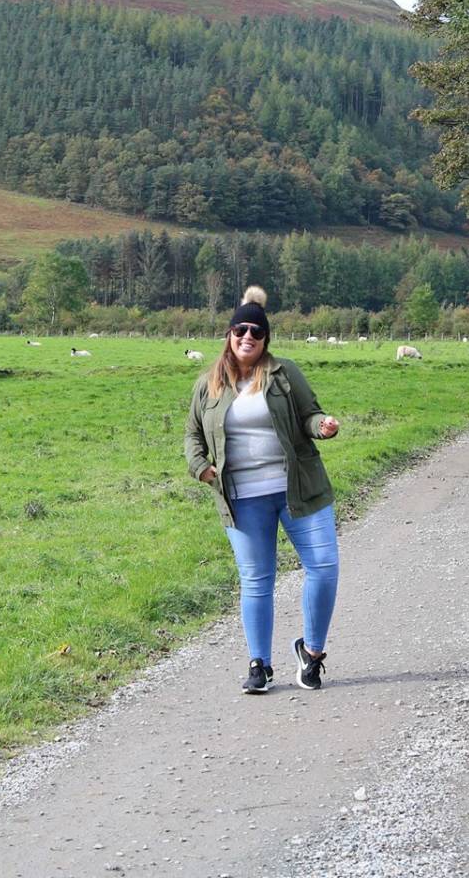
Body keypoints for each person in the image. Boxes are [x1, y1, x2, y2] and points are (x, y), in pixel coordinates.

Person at [184, 286, 341, 693]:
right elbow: (193, 436)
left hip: (298, 488)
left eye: (256, 332)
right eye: (240, 331)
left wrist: (321, 427)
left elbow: (309, 415)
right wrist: (201, 468)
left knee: (323, 567)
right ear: (229, 336)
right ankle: (260, 664)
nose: (247, 338)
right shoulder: (209, 385)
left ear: (266, 339)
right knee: (256, 580)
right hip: (242, 496)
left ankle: (313, 652)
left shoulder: (284, 373)